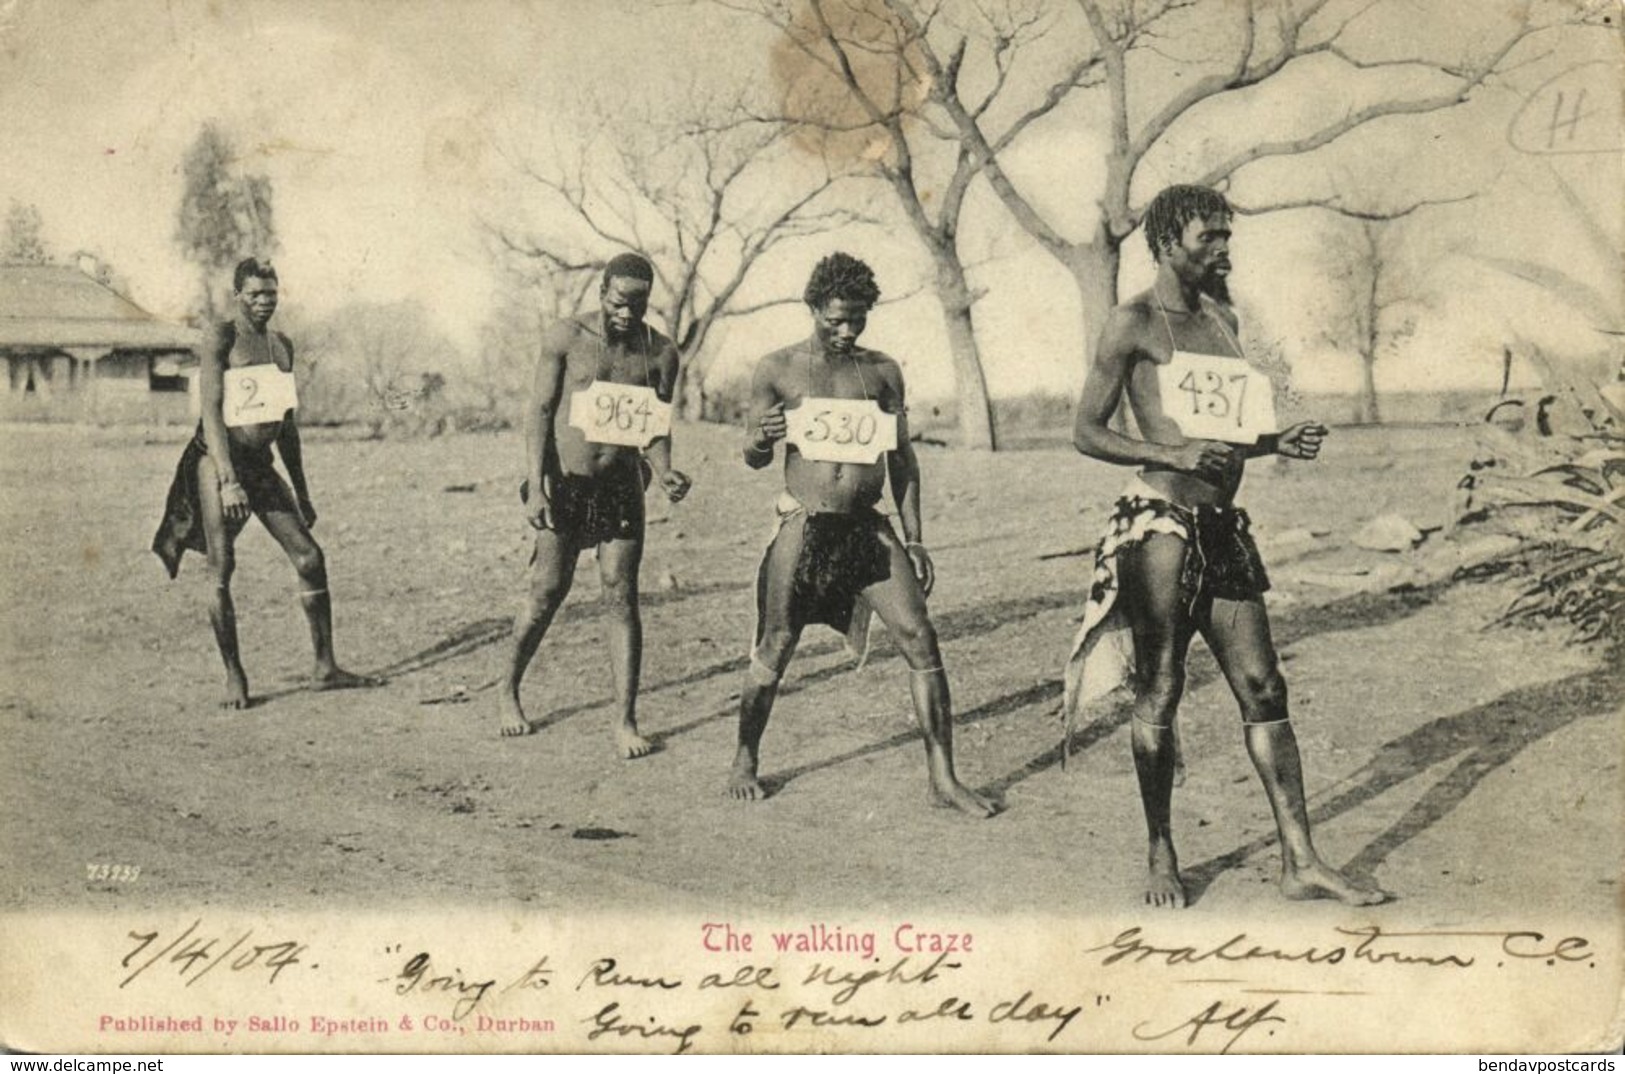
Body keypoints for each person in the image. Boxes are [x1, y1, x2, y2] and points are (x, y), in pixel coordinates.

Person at [1066, 184, 1389, 907]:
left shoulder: (1224, 320)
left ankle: (1300, 861)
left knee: (1264, 687)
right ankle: (1159, 853)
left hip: (1223, 532)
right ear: (1165, 242)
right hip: (1159, 529)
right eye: (1206, 238)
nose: (1221, 250)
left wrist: (1276, 440)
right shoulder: (1131, 324)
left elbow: (1231, 428)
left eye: (1225, 238)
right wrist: (1171, 455)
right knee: (1160, 688)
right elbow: (1084, 430)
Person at [728, 252, 994, 817]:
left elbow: (903, 461)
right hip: (803, 524)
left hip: (866, 528)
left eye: (858, 319)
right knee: (777, 643)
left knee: (921, 637)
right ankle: (745, 757)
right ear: (814, 308)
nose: (847, 331)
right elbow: (752, 456)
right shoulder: (777, 369)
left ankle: (943, 778)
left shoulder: (881, 372)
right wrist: (762, 439)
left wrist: (916, 538)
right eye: (836, 320)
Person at [153, 258, 379, 709]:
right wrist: (228, 480)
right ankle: (234, 675)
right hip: (217, 463)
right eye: (255, 294)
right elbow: (213, 413)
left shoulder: (281, 345)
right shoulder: (222, 337)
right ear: (237, 295)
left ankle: (324, 667)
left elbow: (287, 427)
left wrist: (302, 490)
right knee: (222, 566)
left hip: (259, 465)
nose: (264, 302)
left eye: (271, 293)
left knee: (310, 557)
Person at [496, 252, 691, 756]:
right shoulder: (567, 337)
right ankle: (507, 690)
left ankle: (625, 721)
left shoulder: (661, 353)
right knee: (547, 592)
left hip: (622, 485)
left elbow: (655, 428)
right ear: (602, 291)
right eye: (619, 302)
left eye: (639, 304)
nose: (626, 314)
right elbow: (539, 410)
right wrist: (536, 486)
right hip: (566, 482)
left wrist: (666, 471)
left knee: (621, 595)